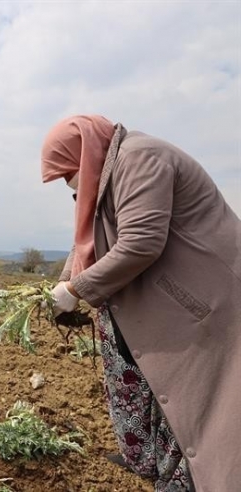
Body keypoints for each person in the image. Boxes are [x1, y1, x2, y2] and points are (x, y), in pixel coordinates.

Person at [41, 115, 240, 492]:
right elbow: (86, 239)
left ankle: (184, 480)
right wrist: (65, 281)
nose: (70, 183)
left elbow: (140, 242)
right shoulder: (105, 176)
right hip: (145, 297)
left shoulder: (141, 159)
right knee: (132, 375)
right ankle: (144, 459)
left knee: (188, 397)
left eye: (69, 172)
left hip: (192, 302)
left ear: (85, 155)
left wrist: (76, 290)